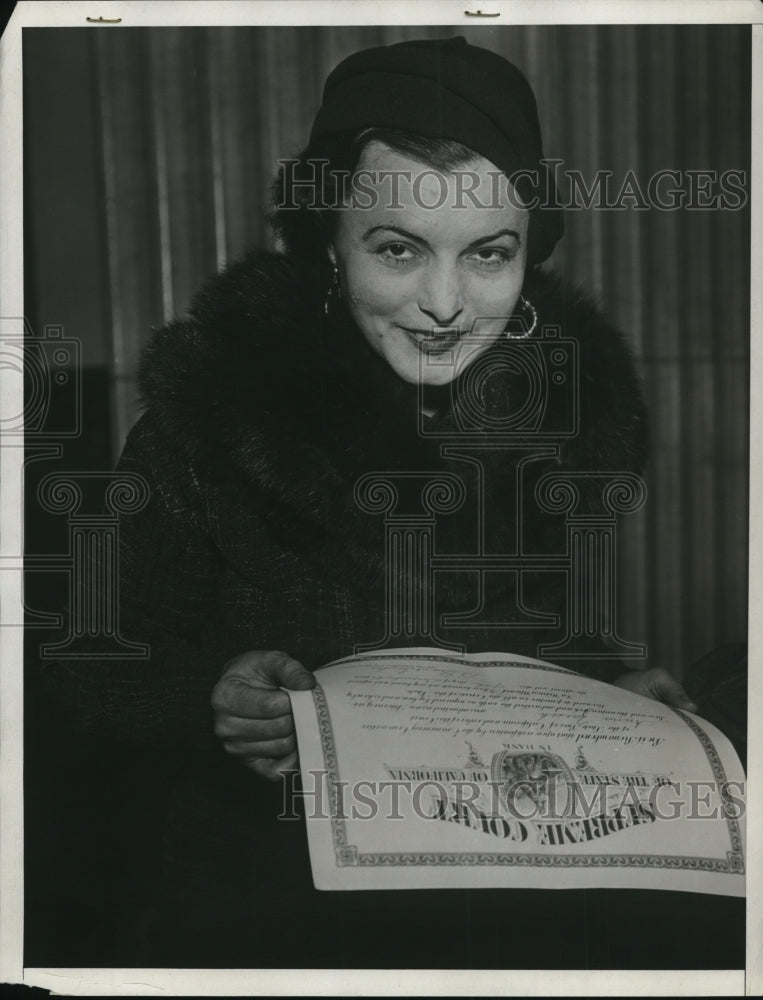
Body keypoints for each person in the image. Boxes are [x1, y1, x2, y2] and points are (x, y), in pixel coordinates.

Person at [41, 36, 707, 968]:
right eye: (397, 249)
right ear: (325, 241)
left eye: (488, 254)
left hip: (505, 913)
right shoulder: (212, 409)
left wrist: (608, 705)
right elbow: (87, 669)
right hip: (262, 918)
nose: (444, 301)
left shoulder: (565, 422)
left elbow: (539, 648)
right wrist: (211, 697)